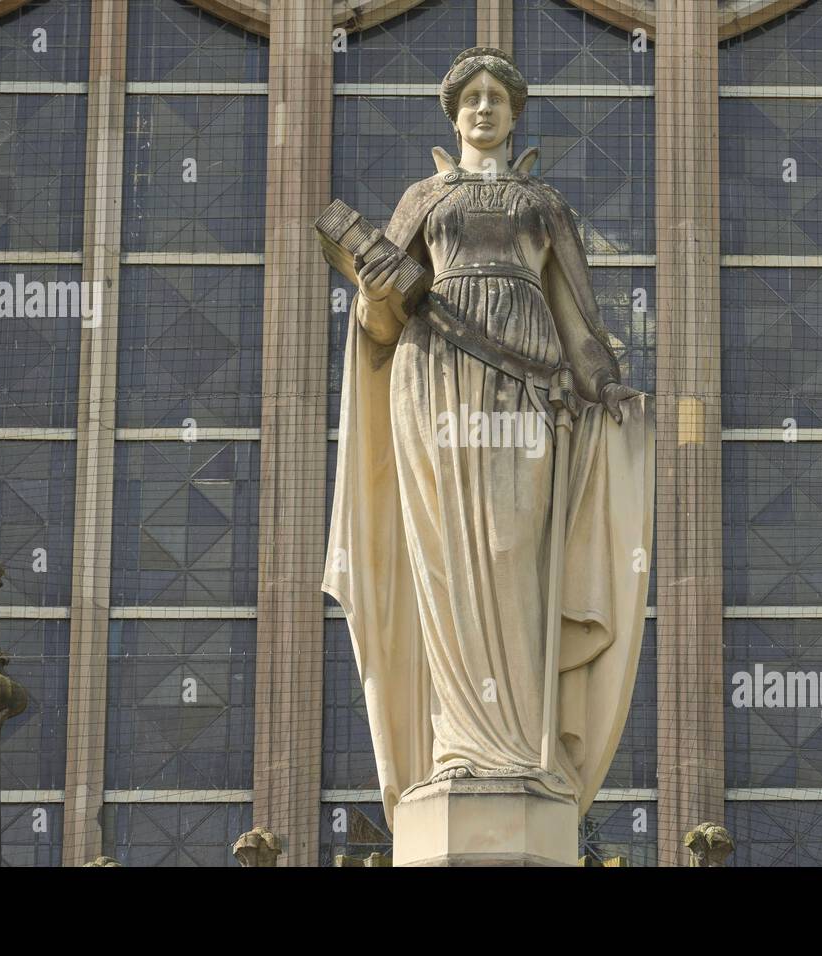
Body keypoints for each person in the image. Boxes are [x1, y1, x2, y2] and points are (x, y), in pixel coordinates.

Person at [324, 47, 654, 828]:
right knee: (443, 559)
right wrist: (373, 297)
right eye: (469, 96)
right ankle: (456, 748)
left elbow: (577, 319)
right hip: (433, 382)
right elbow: (380, 324)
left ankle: (520, 749)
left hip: (526, 389)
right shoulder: (424, 198)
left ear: (514, 112)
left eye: (495, 97)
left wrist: (608, 388)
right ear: (453, 112)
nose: (482, 107)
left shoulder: (542, 204)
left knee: (513, 551)